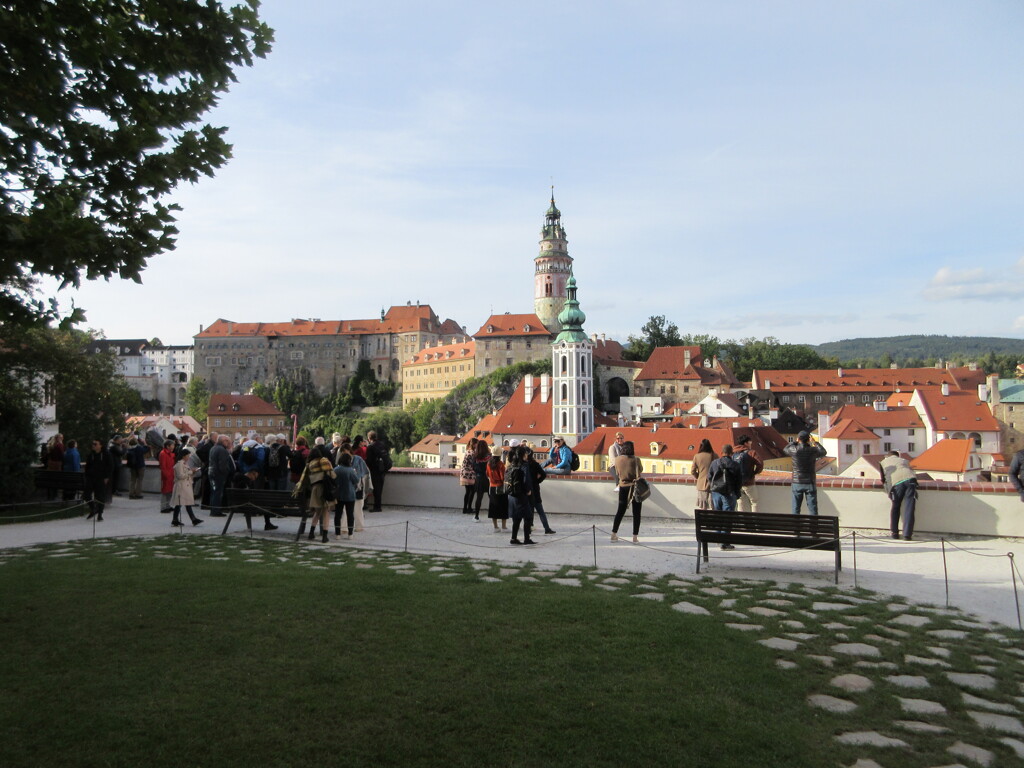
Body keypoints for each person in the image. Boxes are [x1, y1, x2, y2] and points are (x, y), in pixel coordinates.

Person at [783, 431, 828, 515]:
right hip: (810, 482)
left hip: (797, 482)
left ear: (798, 439)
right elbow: (823, 452)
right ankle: (813, 526)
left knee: (795, 508)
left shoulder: (794, 450)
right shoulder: (813, 450)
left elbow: (785, 449)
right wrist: (815, 442)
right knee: (812, 509)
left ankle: (796, 526)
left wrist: (794, 442)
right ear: (808, 440)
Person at [300, 438, 334, 543]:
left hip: (314, 488)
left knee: (317, 512)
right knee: (326, 512)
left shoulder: (310, 464)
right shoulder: (323, 460)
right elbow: (331, 474)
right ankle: (324, 536)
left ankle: (311, 533)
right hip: (324, 488)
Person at [880, 451, 919, 541]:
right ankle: (907, 535)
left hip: (896, 483)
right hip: (911, 480)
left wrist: (888, 490)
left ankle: (895, 533)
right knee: (909, 508)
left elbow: (883, 479)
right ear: (897, 456)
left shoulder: (883, 462)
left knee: (896, 507)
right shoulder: (904, 460)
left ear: (887, 456)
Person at [611, 440, 644, 543]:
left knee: (620, 511)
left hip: (623, 486)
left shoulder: (617, 460)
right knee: (637, 513)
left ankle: (614, 534)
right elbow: (640, 470)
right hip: (634, 487)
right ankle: (635, 537)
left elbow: (617, 472)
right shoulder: (636, 459)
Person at [506, 446, 535, 545]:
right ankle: (527, 539)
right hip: (521, 494)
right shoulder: (524, 465)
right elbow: (526, 479)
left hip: (511, 494)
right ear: (523, 455)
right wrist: (528, 490)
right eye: (526, 453)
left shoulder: (511, 465)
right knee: (528, 516)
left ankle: (513, 538)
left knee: (516, 517)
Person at [170, 449, 203, 527]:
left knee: (185, 503)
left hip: (186, 485)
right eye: (188, 455)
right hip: (181, 486)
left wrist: (192, 472)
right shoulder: (179, 464)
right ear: (184, 456)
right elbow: (180, 476)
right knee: (180, 503)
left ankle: (192, 519)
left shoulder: (184, 463)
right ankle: (189, 519)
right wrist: (191, 471)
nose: (189, 457)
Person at [525, 447, 555, 534]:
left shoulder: (523, 465)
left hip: (527, 489)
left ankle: (529, 528)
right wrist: (537, 481)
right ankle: (547, 528)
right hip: (535, 488)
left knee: (529, 511)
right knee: (540, 511)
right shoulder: (535, 464)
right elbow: (543, 474)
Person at [733, 435, 764, 513]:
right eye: (750, 442)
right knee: (754, 502)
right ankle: (754, 521)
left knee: (740, 502)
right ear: (746, 443)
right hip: (749, 482)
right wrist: (755, 472)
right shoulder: (751, 452)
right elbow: (760, 463)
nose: (751, 444)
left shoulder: (733, 452)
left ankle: (742, 522)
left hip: (737, 483)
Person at [83, 439, 112, 521]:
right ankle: (94, 508)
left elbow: (110, 466)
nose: (93, 445)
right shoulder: (91, 454)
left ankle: (100, 514)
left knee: (100, 496)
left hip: (101, 478)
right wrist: (87, 474)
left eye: (95, 444)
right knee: (86, 495)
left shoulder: (106, 454)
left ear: (100, 445)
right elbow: (87, 466)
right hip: (91, 477)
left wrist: (106, 477)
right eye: (93, 444)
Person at [708, 444, 742, 512]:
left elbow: (709, 477)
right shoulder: (735, 465)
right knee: (728, 515)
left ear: (721, 453)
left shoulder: (714, 463)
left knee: (718, 514)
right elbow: (739, 481)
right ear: (731, 454)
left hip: (716, 491)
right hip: (729, 492)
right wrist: (737, 493)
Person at [333, 452, 359, 538]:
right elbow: (356, 481)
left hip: (339, 494)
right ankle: (350, 534)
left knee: (338, 515)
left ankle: (337, 534)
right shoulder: (351, 470)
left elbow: (333, 481)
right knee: (350, 515)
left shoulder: (336, 469)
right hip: (350, 494)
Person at [208, 434, 235, 517]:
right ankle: (216, 511)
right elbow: (222, 465)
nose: (228, 442)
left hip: (212, 472)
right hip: (218, 474)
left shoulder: (213, 448)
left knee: (214, 492)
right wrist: (226, 473)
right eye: (226, 440)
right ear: (222, 441)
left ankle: (213, 510)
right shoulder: (222, 450)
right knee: (218, 493)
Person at [365, 430, 391, 512]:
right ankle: (378, 505)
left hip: (375, 470)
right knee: (379, 488)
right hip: (383, 469)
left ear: (369, 438)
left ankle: (377, 507)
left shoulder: (370, 447)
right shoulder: (382, 444)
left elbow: (369, 460)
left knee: (376, 489)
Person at [486, 445, 508, 531]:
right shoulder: (500, 464)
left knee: (493, 507)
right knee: (503, 506)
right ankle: (504, 526)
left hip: (492, 486)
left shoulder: (488, 463)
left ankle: (495, 526)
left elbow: (487, 474)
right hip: (500, 487)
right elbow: (503, 477)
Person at [690, 439, 716, 510]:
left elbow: (692, 471)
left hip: (701, 483)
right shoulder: (714, 455)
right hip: (713, 483)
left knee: (703, 505)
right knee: (713, 505)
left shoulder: (697, 456)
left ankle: (703, 519)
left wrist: (698, 477)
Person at [471, 439, 490, 521]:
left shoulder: (475, 457)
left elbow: (473, 467)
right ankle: (495, 515)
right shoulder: (489, 456)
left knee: (479, 498)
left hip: (479, 478)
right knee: (491, 497)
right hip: (488, 478)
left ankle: (476, 516)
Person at [459, 437, 479, 515]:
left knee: (467, 492)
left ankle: (465, 508)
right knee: (472, 491)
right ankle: (469, 508)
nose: (477, 445)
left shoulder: (467, 451)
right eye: (477, 443)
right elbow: (474, 464)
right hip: (469, 474)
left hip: (464, 473)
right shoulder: (472, 453)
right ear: (474, 444)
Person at [159, 439, 176, 514]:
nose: (173, 447)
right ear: (168, 446)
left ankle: (168, 506)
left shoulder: (169, 454)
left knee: (169, 491)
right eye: (172, 445)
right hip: (167, 475)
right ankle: (163, 507)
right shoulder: (163, 453)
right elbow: (163, 466)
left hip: (170, 474)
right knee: (165, 492)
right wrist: (166, 475)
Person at [107, 435, 125, 500]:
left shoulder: (111, 445)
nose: (121, 440)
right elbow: (121, 453)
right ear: (117, 440)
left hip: (114, 464)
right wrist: (125, 447)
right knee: (115, 478)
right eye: (120, 439)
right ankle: (114, 490)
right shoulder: (113, 447)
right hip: (115, 464)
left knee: (114, 478)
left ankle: (113, 490)